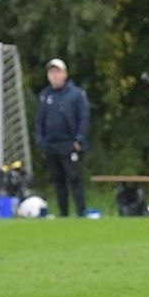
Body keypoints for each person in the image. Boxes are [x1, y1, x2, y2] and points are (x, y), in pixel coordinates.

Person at [34, 58, 90, 217]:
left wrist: (79, 140)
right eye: (51, 72)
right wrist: (40, 141)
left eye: (57, 72)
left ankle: (81, 212)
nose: (54, 75)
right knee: (58, 180)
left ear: (65, 74)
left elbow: (84, 117)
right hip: (51, 145)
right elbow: (39, 121)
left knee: (74, 178)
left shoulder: (76, 94)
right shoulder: (45, 96)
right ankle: (63, 213)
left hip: (69, 144)